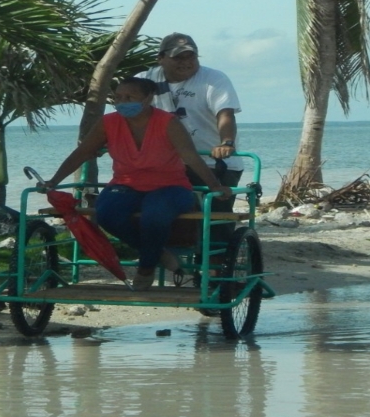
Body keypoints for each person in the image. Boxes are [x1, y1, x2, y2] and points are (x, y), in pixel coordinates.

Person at [39, 77, 233, 291]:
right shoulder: (108, 122)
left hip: (170, 185)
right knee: (105, 212)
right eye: (118, 97)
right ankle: (158, 253)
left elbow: (191, 156)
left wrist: (215, 186)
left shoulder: (167, 122)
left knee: (154, 214)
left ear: (149, 98)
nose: (123, 102)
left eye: (130, 97)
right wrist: (54, 181)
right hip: (125, 184)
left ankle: (146, 268)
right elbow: (82, 152)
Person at [138, 33, 243, 191]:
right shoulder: (144, 80)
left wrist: (227, 143)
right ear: (160, 58)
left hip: (213, 162)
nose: (186, 63)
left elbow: (225, 114)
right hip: (166, 164)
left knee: (213, 212)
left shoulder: (213, 78)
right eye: (178, 58)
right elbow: (128, 117)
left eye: (191, 57)